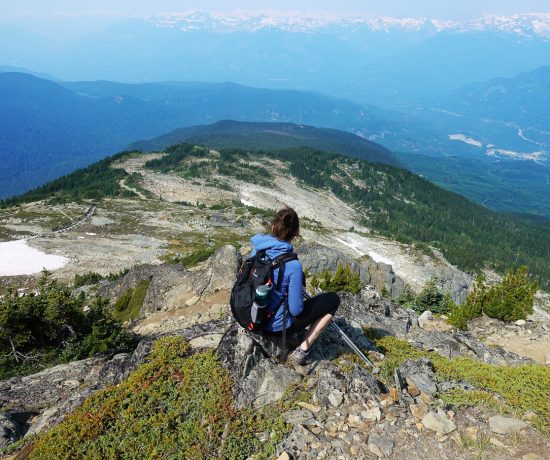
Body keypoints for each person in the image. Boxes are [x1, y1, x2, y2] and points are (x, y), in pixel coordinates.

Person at [249, 207, 340, 365]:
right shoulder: (293, 265)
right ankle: (303, 349)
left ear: (273, 227)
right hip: (274, 327)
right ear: (296, 232)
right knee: (333, 300)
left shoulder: (257, 248)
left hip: (250, 314)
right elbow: (296, 310)